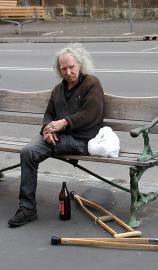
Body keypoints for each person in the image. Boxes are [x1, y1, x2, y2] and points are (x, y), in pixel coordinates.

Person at [8, 43, 104, 227]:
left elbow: (90, 113)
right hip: (59, 138)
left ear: (80, 64)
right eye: (63, 68)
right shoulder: (58, 90)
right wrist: (46, 130)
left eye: (71, 67)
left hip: (82, 140)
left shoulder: (91, 83)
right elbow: (49, 114)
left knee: (33, 151)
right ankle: (27, 208)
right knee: (28, 152)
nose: (68, 72)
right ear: (59, 70)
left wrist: (64, 123)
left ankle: (27, 207)